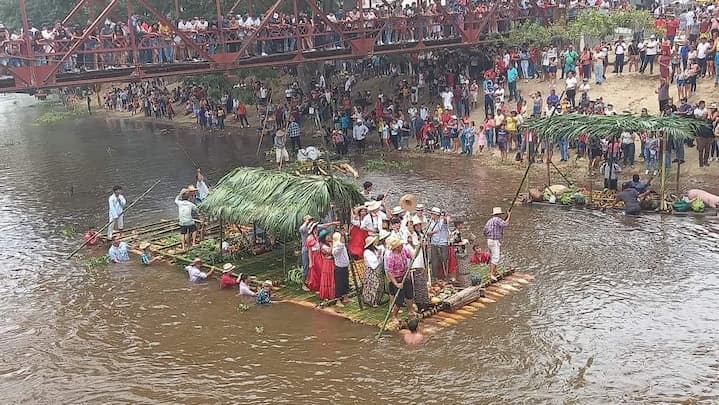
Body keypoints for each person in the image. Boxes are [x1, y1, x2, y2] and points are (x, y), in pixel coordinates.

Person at [384, 236, 415, 324]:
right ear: (396, 247)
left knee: (410, 294)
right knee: (399, 299)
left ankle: (411, 310)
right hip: (397, 278)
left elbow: (411, 256)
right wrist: (396, 284)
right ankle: (394, 316)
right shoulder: (391, 257)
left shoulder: (403, 251)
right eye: (400, 245)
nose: (402, 246)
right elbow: (390, 272)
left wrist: (413, 255)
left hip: (405, 275)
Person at [483, 207, 510, 282]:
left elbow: (484, 230)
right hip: (494, 241)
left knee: (493, 256)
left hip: (489, 240)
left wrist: (488, 237)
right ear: (499, 214)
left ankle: (494, 271)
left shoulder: (489, 221)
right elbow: (505, 224)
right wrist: (509, 216)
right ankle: (491, 274)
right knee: (496, 257)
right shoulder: (497, 219)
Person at [362, 233, 387, 307]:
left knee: (380, 285)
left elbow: (382, 248)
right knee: (374, 286)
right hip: (372, 271)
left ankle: (377, 300)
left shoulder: (376, 249)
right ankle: (372, 301)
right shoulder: (367, 252)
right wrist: (379, 256)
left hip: (378, 270)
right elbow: (373, 263)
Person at [426, 207, 448, 280]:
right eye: (432, 214)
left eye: (434, 214)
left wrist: (444, 217)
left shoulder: (442, 221)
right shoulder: (430, 222)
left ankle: (445, 276)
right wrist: (433, 232)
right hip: (434, 243)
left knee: (444, 260)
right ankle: (435, 278)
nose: (432, 215)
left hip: (443, 243)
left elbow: (445, 222)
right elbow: (427, 233)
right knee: (434, 261)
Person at [175, 186, 199, 251]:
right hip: (189, 221)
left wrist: (180, 193)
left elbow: (176, 199)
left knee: (182, 233)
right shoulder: (190, 204)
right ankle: (193, 243)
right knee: (194, 230)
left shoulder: (179, 203)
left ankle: (183, 247)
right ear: (188, 198)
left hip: (182, 222)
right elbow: (197, 209)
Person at [331, 232, 350, 306]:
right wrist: (342, 243)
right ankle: (338, 300)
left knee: (345, 283)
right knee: (339, 284)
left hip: (345, 267)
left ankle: (345, 297)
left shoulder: (342, 245)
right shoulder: (336, 247)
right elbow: (336, 251)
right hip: (339, 268)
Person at [318, 230, 336, 300]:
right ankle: (327, 294)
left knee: (332, 277)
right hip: (327, 263)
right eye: (327, 236)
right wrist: (332, 244)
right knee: (328, 277)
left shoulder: (328, 244)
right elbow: (330, 252)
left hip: (331, 262)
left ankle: (332, 293)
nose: (329, 237)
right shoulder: (323, 246)